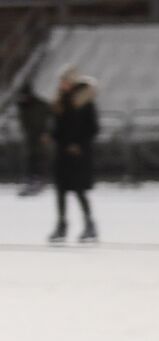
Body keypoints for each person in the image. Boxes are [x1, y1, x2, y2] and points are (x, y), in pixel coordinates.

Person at [49, 67, 99, 243]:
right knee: (60, 191)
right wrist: (51, 136)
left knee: (79, 191)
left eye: (64, 81)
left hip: (79, 155)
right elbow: (58, 127)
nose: (61, 84)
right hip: (63, 154)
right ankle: (61, 225)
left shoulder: (85, 102)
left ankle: (89, 225)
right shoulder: (60, 103)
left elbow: (92, 128)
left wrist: (78, 144)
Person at [15, 81, 50, 197]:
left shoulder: (41, 105)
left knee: (39, 158)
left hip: (40, 135)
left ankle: (38, 181)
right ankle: (29, 181)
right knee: (30, 159)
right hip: (30, 136)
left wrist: (46, 132)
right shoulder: (22, 106)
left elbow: (50, 117)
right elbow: (23, 123)